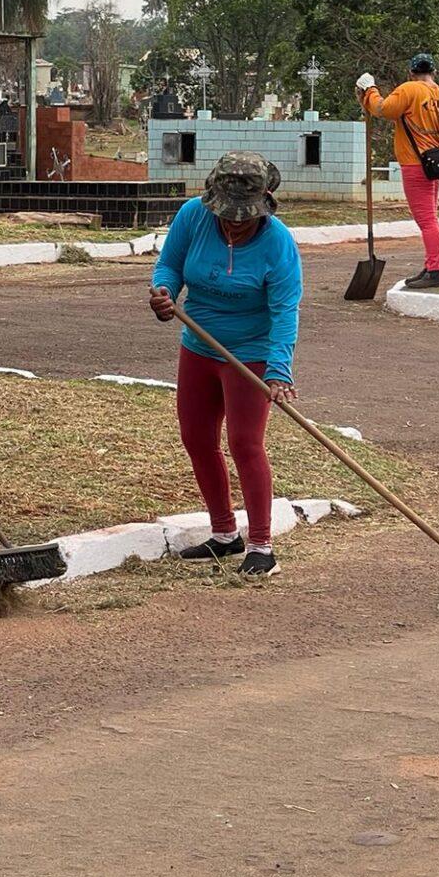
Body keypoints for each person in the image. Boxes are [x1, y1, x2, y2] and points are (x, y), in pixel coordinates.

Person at [148, 152, 303, 579]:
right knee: (196, 438)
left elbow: (285, 311)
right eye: (227, 215)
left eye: (244, 217)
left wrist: (277, 369)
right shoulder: (192, 217)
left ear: (264, 205)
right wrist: (163, 292)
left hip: (249, 354)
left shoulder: (278, 243)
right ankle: (223, 535)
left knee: (244, 443)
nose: (234, 223)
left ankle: (261, 545)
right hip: (198, 345)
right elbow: (170, 265)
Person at [356, 53, 439, 289]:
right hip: (435, 163)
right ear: (434, 72)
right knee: (431, 217)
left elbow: (383, 109)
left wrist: (370, 90)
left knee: (426, 220)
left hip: (414, 164)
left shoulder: (409, 89)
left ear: (411, 73)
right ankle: (433, 265)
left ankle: (434, 270)